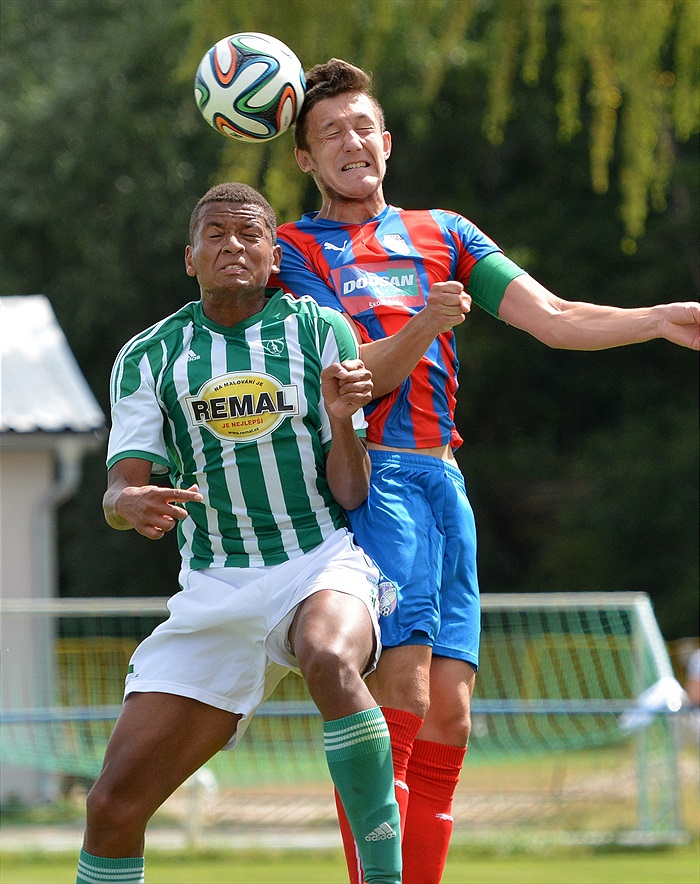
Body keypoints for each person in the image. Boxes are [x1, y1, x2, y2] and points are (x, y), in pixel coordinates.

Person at [271, 59, 700, 884]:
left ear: (387, 141)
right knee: (396, 691)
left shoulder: (445, 234)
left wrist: (656, 319)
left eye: (362, 126)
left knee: (451, 717)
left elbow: (558, 318)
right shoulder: (295, 251)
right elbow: (349, 375)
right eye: (330, 133)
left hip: (444, 485)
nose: (350, 141)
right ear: (306, 160)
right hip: (375, 481)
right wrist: (430, 323)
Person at [76, 182, 402, 884]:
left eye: (250, 233)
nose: (233, 244)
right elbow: (121, 487)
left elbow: (351, 490)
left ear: (273, 252)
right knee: (111, 806)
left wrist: (343, 422)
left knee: (328, 657)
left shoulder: (318, 330)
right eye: (216, 233)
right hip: (214, 587)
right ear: (188, 258)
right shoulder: (150, 356)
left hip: (317, 562)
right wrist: (126, 503)